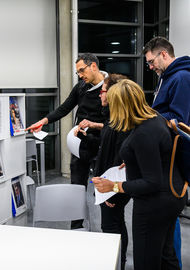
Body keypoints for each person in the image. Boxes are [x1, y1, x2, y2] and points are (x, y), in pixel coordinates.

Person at [92, 79, 187, 270]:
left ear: (122, 105)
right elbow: (161, 155)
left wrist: (113, 186)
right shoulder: (156, 119)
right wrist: (135, 160)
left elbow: (151, 182)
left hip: (154, 204)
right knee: (166, 256)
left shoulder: (144, 133)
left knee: (146, 261)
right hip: (173, 197)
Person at [26, 53, 109, 229]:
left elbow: (114, 123)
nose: (80, 75)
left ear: (93, 66)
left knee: (104, 193)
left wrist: (94, 125)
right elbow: (65, 108)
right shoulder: (81, 87)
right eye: (77, 72)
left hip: (103, 146)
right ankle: (76, 226)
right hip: (80, 146)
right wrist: (43, 121)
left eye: (82, 71)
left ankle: (108, 230)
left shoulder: (112, 87)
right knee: (76, 187)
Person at [143, 36, 190, 268]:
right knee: (167, 221)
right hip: (165, 152)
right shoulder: (167, 78)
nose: (150, 67)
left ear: (164, 54)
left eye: (152, 62)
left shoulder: (181, 77)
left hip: (174, 157)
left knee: (170, 216)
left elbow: (180, 121)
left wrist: (148, 118)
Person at [74, 74, 130, 270]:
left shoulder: (121, 123)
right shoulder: (112, 119)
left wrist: (110, 190)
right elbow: (104, 146)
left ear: (113, 93)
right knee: (115, 224)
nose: (100, 95)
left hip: (111, 186)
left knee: (112, 227)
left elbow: (119, 160)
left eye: (103, 91)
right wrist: (87, 137)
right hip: (106, 184)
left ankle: (117, 264)